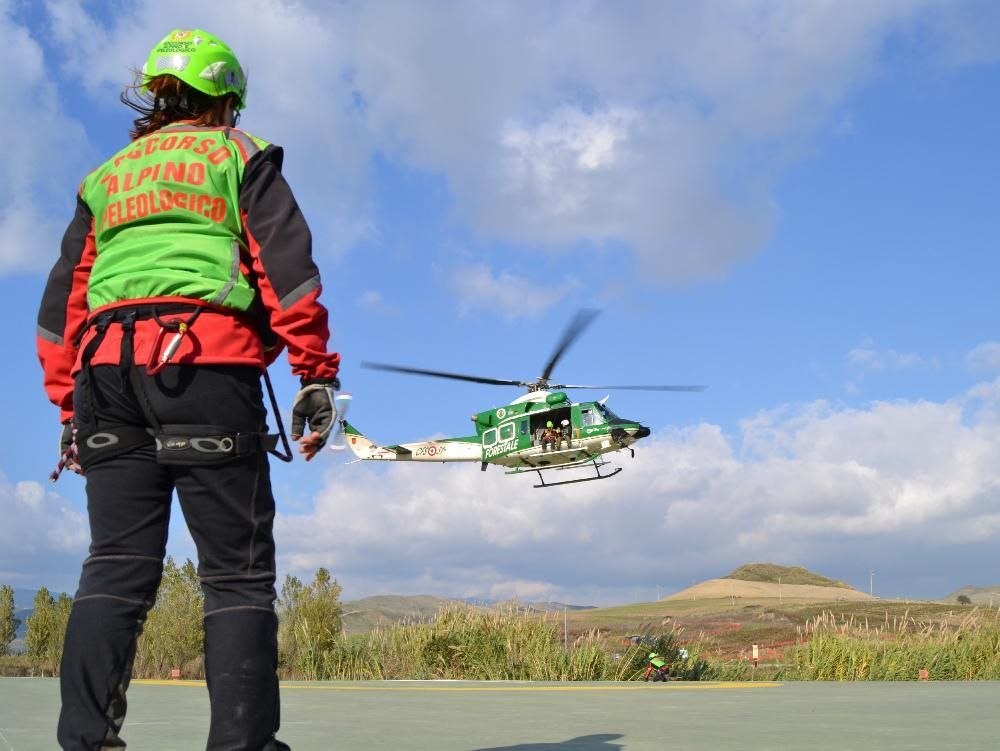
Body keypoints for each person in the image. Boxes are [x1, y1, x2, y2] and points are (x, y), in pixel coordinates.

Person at [36, 28, 339, 750]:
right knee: (234, 577)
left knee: (113, 568)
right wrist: (315, 374)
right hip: (207, 366)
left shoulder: (104, 178)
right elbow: (288, 270)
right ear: (225, 100)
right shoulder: (238, 154)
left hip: (104, 383)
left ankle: (85, 741)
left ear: (157, 97)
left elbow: (59, 313)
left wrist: (67, 409)